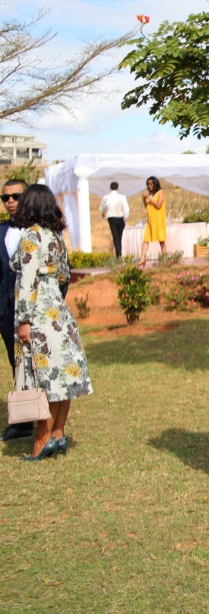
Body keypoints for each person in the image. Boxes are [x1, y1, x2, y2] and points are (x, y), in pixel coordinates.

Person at [12, 185, 93, 460]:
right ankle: (58, 434)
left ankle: (41, 439)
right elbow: (64, 277)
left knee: (44, 378)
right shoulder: (56, 237)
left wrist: (23, 320)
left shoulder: (31, 236)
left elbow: (26, 281)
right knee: (62, 375)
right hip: (59, 310)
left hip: (37, 312)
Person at [0, 179, 32, 441]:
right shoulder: (1, 231)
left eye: (16, 196)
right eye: (5, 198)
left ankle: (45, 419)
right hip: (6, 311)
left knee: (39, 365)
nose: (10, 201)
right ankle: (23, 423)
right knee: (16, 364)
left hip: (35, 311)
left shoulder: (41, 231)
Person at [139, 176, 167, 264]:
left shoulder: (160, 192)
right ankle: (142, 258)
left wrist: (150, 199)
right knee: (146, 239)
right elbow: (147, 206)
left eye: (151, 184)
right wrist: (145, 199)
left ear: (155, 184)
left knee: (161, 240)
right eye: (148, 184)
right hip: (150, 220)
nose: (149, 186)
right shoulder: (150, 194)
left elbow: (158, 205)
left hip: (158, 219)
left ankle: (165, 259)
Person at [99, 181, 130, 258]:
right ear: (117, 188)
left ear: (110, 188)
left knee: (115, 236)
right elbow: (126, 208)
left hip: (112, 218)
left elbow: (102, 207)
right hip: (120, 218)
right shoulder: (122, 197)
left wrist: (103, 213)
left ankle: (118, 254)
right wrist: (125, 217)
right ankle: (119, 253)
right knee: (119, 236)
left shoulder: (106, 197)